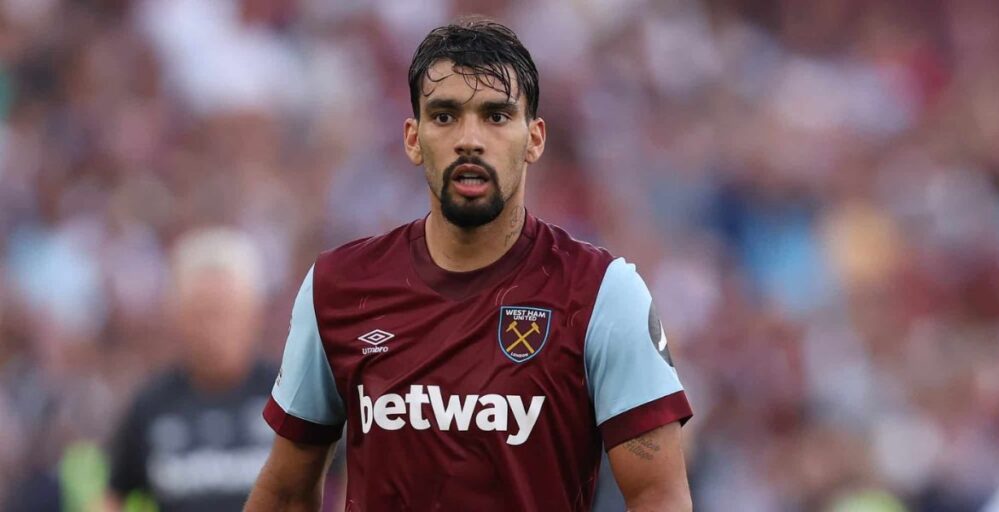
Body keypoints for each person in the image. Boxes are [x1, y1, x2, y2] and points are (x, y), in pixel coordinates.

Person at [246, 17, 694, 512]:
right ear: (413, 139)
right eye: (445, 116)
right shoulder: (339, 288)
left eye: (496, 116)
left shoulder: (602, 294)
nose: (470, 139)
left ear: (535, 138)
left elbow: (659, 496)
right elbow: (286, 493)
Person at [106, 228, 281, 511]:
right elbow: (113, 495)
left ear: (253, 313)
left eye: (224, 311)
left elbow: (347, 478)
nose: (213, 329)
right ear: (178, 317)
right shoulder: (151, 405)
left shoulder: (293, 398)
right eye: (201, 313)